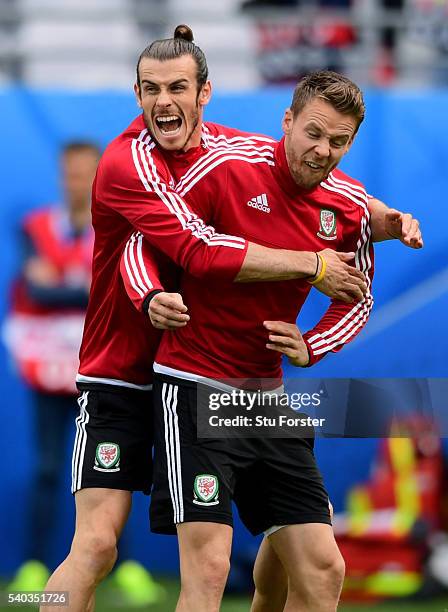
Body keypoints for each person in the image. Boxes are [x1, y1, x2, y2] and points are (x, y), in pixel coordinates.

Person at [41, 30, 375, 612]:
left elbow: (317, 175)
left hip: (231, 381)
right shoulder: (128, 162)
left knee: (310, 561)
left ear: (204, 96)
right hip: (127, 374)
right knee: (96, 547)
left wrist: (386, 217)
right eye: (150, 89)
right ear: (136, 93)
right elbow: (176, 249)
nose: (163, 101)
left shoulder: (224, 151)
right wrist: (148, 298)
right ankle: (22, 601)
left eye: (177, 88)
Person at [122, 68, 421, 612]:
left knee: (325, 568)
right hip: (193, 385)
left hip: (266, 398)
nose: (323, 150)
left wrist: (312, 345)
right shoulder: (228, 169)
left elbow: (357, 299)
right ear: (287, 122)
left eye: (339, 141)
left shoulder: (349, 206)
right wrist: (149, 297)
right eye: (313, 132)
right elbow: (144, 240)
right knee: (210, 568)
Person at [5, 142, 99, 591]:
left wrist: (60, 280)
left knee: (107, 469)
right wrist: (81, 285)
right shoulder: (36, 226)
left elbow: (112, 293)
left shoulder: (114, 228)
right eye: (69, 173)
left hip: (100, 367)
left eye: (84, 173)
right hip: (46, 366)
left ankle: (122, 567)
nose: (75, 182)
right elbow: (37, 293)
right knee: (46, 467)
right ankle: (34, 564)